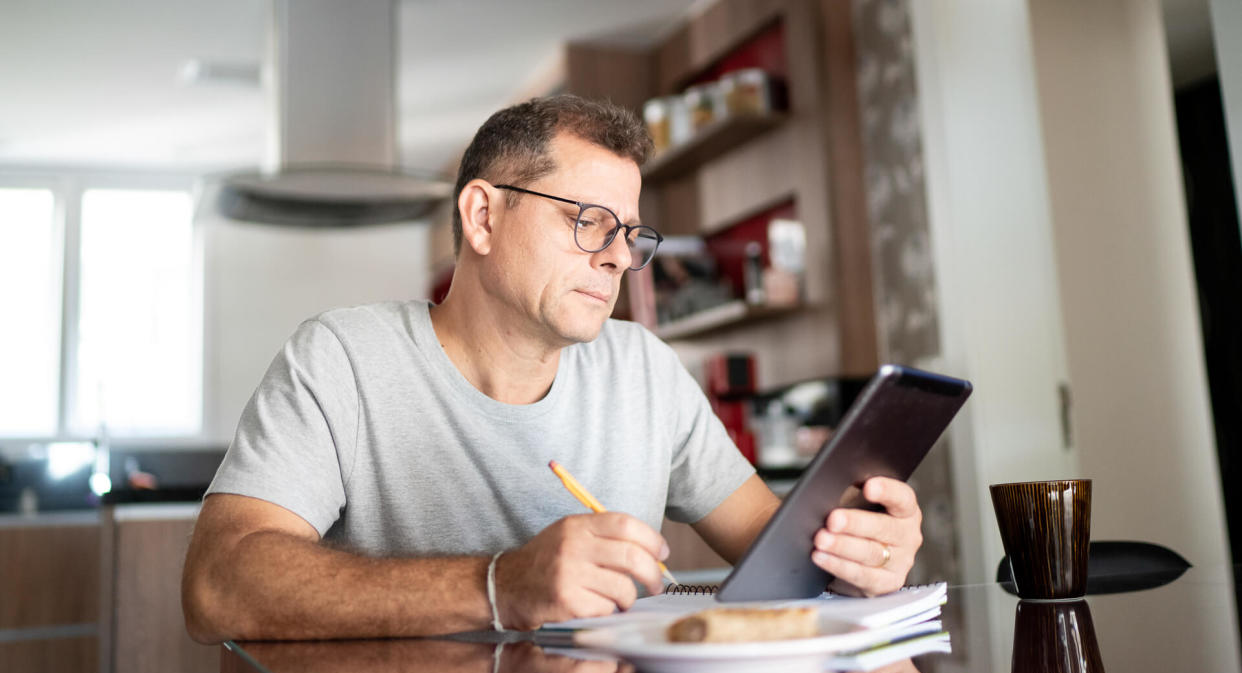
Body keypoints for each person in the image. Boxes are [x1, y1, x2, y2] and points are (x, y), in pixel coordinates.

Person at [181, 95, 924, 643]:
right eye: (588, 220)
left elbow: (778, 547)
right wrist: (500, 583)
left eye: (630, 232)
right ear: (482, 218)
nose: (616, 255)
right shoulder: (342, 359)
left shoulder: (644, 370)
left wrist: (854, 551)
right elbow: (218, 584)